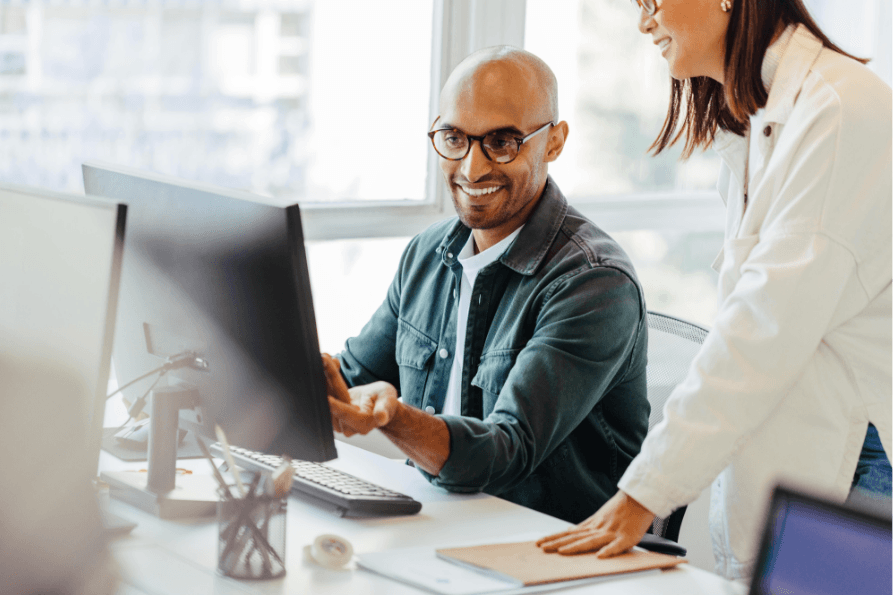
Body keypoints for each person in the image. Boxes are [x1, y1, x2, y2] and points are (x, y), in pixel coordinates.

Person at [537, 0, 892, 581]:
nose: (642, 20)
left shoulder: (838, 109)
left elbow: (761, 328)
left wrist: (643, 495)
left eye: (651, 0)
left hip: (860, 468)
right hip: (813, 459)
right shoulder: (763, 120)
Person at [323, 46, 651, 523]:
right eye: (454, 138)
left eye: (502, 142)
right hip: (438, 529)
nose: (472, 168)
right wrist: (295, 372)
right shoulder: (427, 254)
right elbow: (350, 380)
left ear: (554, 142)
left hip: (547, 554)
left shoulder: (594, 283)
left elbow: (506, 453)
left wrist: (393, 417)